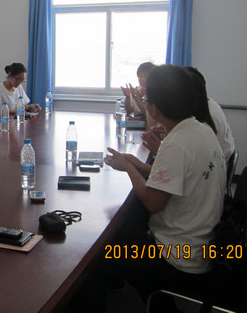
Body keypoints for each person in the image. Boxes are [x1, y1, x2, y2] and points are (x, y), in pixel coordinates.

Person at [77, 65, 226, 311]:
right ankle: (119, 282)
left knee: (93, 258)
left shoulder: (176, 143)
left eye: (146, 101)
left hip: (178, 258)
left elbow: (153, 202)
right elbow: (175, 178)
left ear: (154, 108)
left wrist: (129, 167)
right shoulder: (200, 130)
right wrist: (135, 163)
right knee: (124, 226)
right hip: (204, 247)